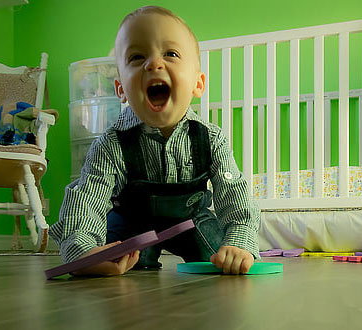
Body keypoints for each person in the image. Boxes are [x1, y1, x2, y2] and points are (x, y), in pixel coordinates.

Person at [50, 6, 260, 276]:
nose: (153, 64)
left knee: (222, 259)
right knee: (114, 260)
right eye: (137, 57)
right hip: (133, 224)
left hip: (192, 221)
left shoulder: (211, 137)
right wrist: (82, 250)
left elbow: (234, 195)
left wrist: (239, 241)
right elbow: (87, 198)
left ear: (198, 84)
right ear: (121, 89)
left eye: (171, 54)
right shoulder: (110, 144)